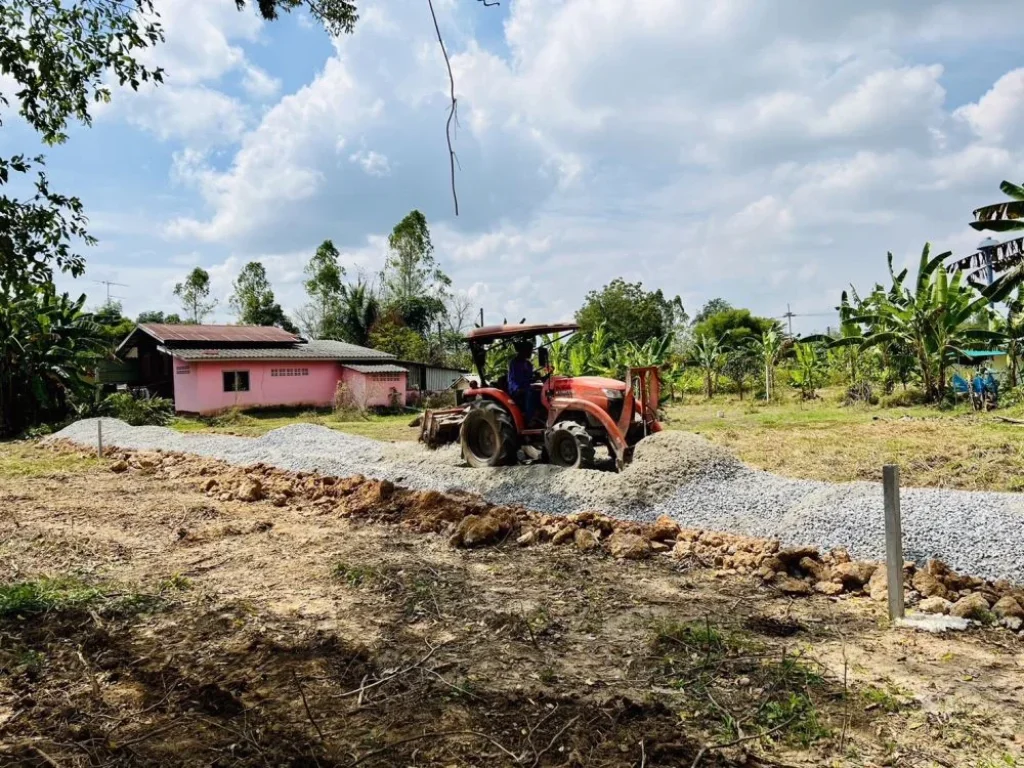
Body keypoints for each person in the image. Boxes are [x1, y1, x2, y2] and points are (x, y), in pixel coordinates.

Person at [508, 339, 538, 425]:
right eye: (529, 351)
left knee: (541, 391)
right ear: (523, 351)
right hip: (515, 388)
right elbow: (514, 379)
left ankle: (539, 415)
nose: (530, 353)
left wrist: (536, 377)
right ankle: (530, 419)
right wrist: (518, 389)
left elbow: (529, 377)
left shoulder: (528, 364)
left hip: (526, 386)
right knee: (530, 393)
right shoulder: (514, 363)